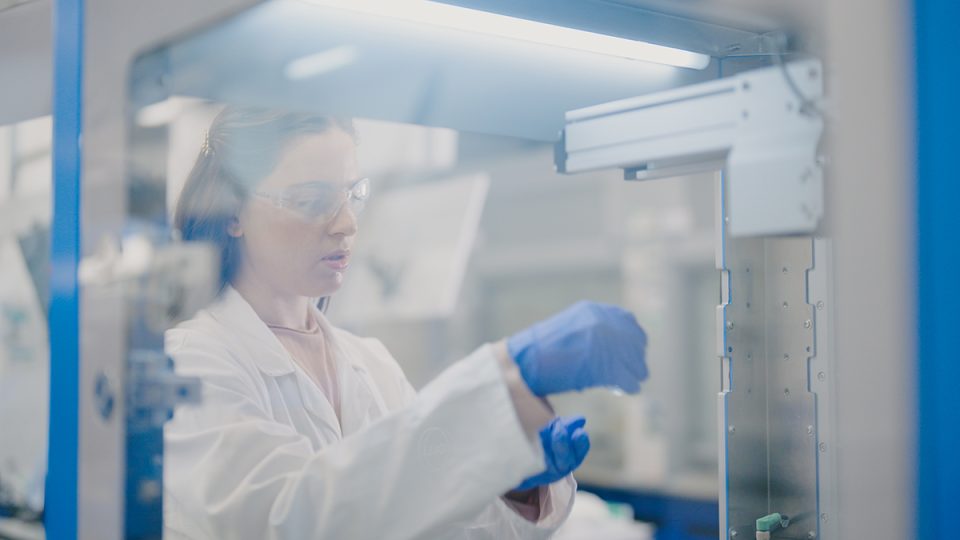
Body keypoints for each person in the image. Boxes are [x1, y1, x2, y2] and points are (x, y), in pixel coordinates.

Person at [163, 107, 649, 539]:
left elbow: (430, 522)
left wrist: (511, 486)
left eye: (353, 194)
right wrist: (503, 376)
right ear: (231, 211)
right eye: (312, 201)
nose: (347, 223)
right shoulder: (190, 364)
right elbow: (287, 520)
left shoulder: (368, 362)